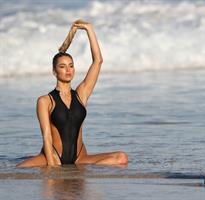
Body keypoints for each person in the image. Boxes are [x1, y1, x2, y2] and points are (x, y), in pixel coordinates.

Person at [17, 20, 128, 167]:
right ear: (54, 71)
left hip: (79, 158)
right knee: (18, 170)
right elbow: (46, 136)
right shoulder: (45, 101)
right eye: (62, 66)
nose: (68, 70)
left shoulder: (81, 94)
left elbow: (98, 61)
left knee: (121, 158)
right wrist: (51, 166)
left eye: (71, 66)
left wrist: (89, 29)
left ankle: (83, 170)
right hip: (54, 156)